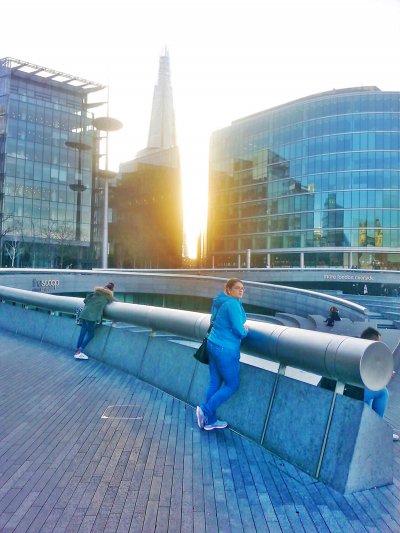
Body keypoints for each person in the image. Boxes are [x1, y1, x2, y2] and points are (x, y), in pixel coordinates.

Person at [318, 326, 399, 441]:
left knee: (369, 392)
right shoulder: (364, 351)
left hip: (330, 386)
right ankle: (377, 430)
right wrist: (385, 376)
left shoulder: (353, 344)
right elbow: (365, 376)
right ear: (372, 341)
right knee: (382, 392)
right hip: (342, 389)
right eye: (377, 343)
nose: (378, 346)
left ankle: (365, 426)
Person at [196, 278, 249, 431]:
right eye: (237, 288)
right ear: (229, 289)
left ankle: (210, 421)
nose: (241, 290)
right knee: (232, 385)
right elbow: (239, 330)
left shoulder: (221, 301)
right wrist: (246, 331)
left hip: (213, 344)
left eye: (243, 288)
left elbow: (214, 319)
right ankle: (205, 410)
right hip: (225, 349)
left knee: (214, 383)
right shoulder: (232, 304)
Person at [74, 281, 116, 360]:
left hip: (84, 313)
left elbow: (85, 301)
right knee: (91, 334)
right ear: (111, 290)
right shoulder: (108, 296)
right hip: (91, 316)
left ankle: (77, 350)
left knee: (83, 332)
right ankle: (79, 352)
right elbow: (114, 301)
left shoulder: (95, 292)